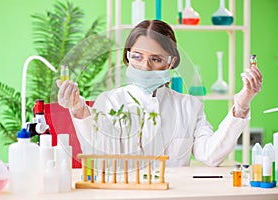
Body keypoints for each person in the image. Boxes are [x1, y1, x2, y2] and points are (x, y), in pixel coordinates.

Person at [56, 20, 262, 167]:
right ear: (128, 56)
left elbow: (210, 155)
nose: (145, 67)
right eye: (137, 56)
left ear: (171, 62)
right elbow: (99, 155)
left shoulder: (189, 106)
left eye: (155, 59)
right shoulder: (112, 101)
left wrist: (242, 105)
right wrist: (79, 109)